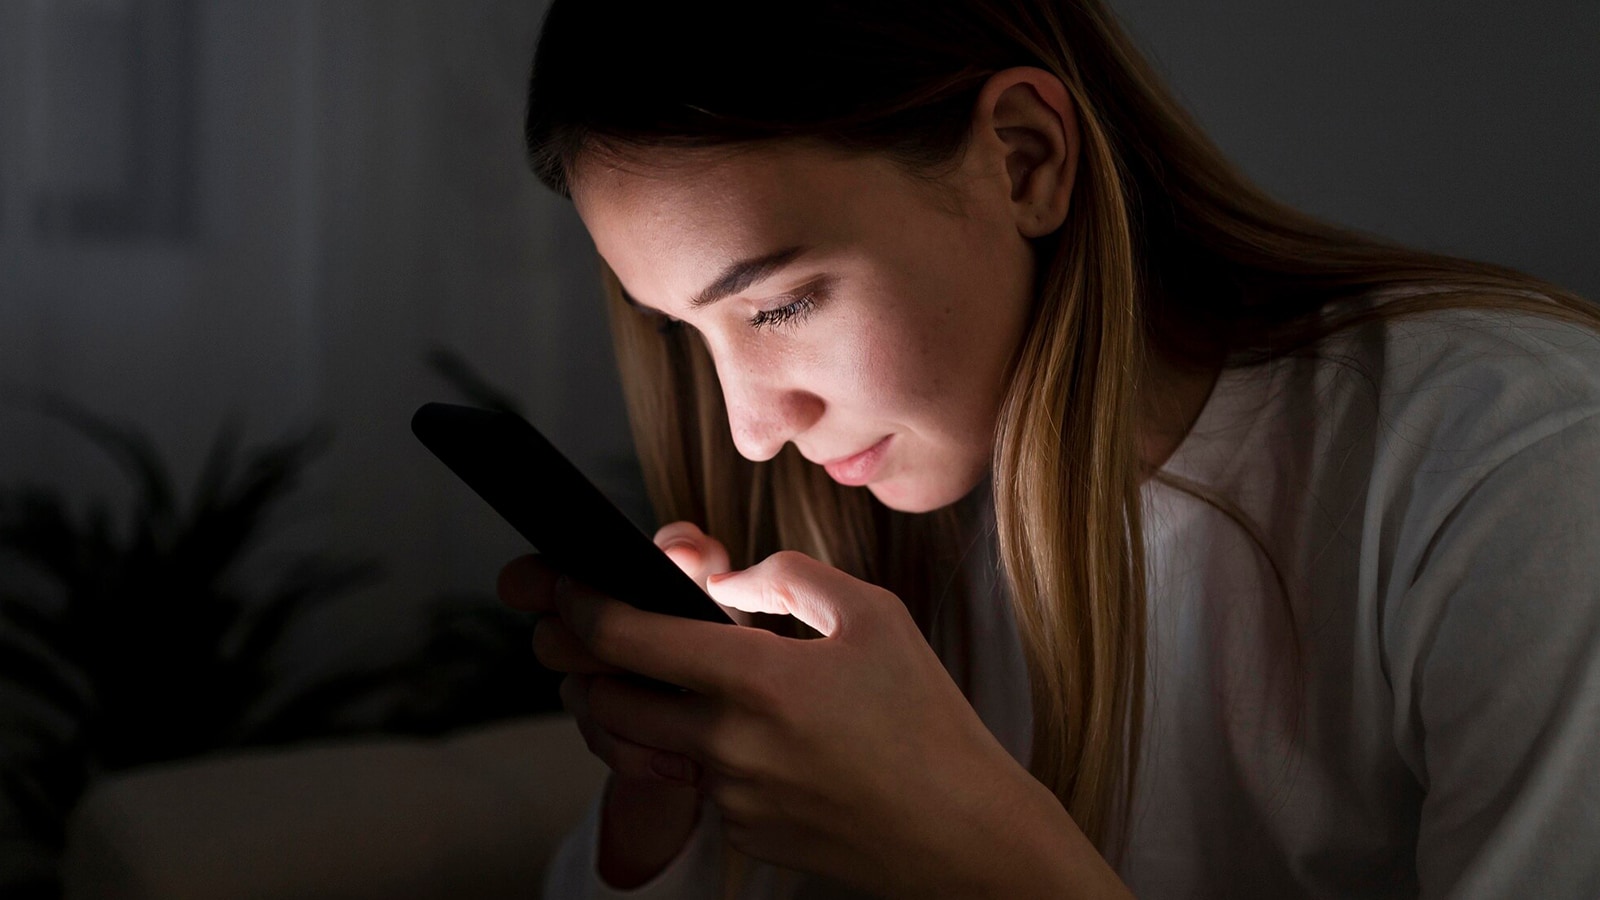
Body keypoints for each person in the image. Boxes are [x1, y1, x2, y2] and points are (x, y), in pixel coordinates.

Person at [496, 1, 1600, 897]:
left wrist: (970, 852)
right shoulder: (874, 530)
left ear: (1023, 160)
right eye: (684, 332)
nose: (749, 429)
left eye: (781, 306)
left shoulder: (1517, 465)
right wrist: (665, 827)